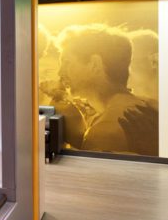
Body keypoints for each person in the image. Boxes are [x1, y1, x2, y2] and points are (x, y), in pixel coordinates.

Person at [57, 24, 158, 156]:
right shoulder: (153, 107)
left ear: (94, 64)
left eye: (67, 62)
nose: (60, 72)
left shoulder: (104, 132)